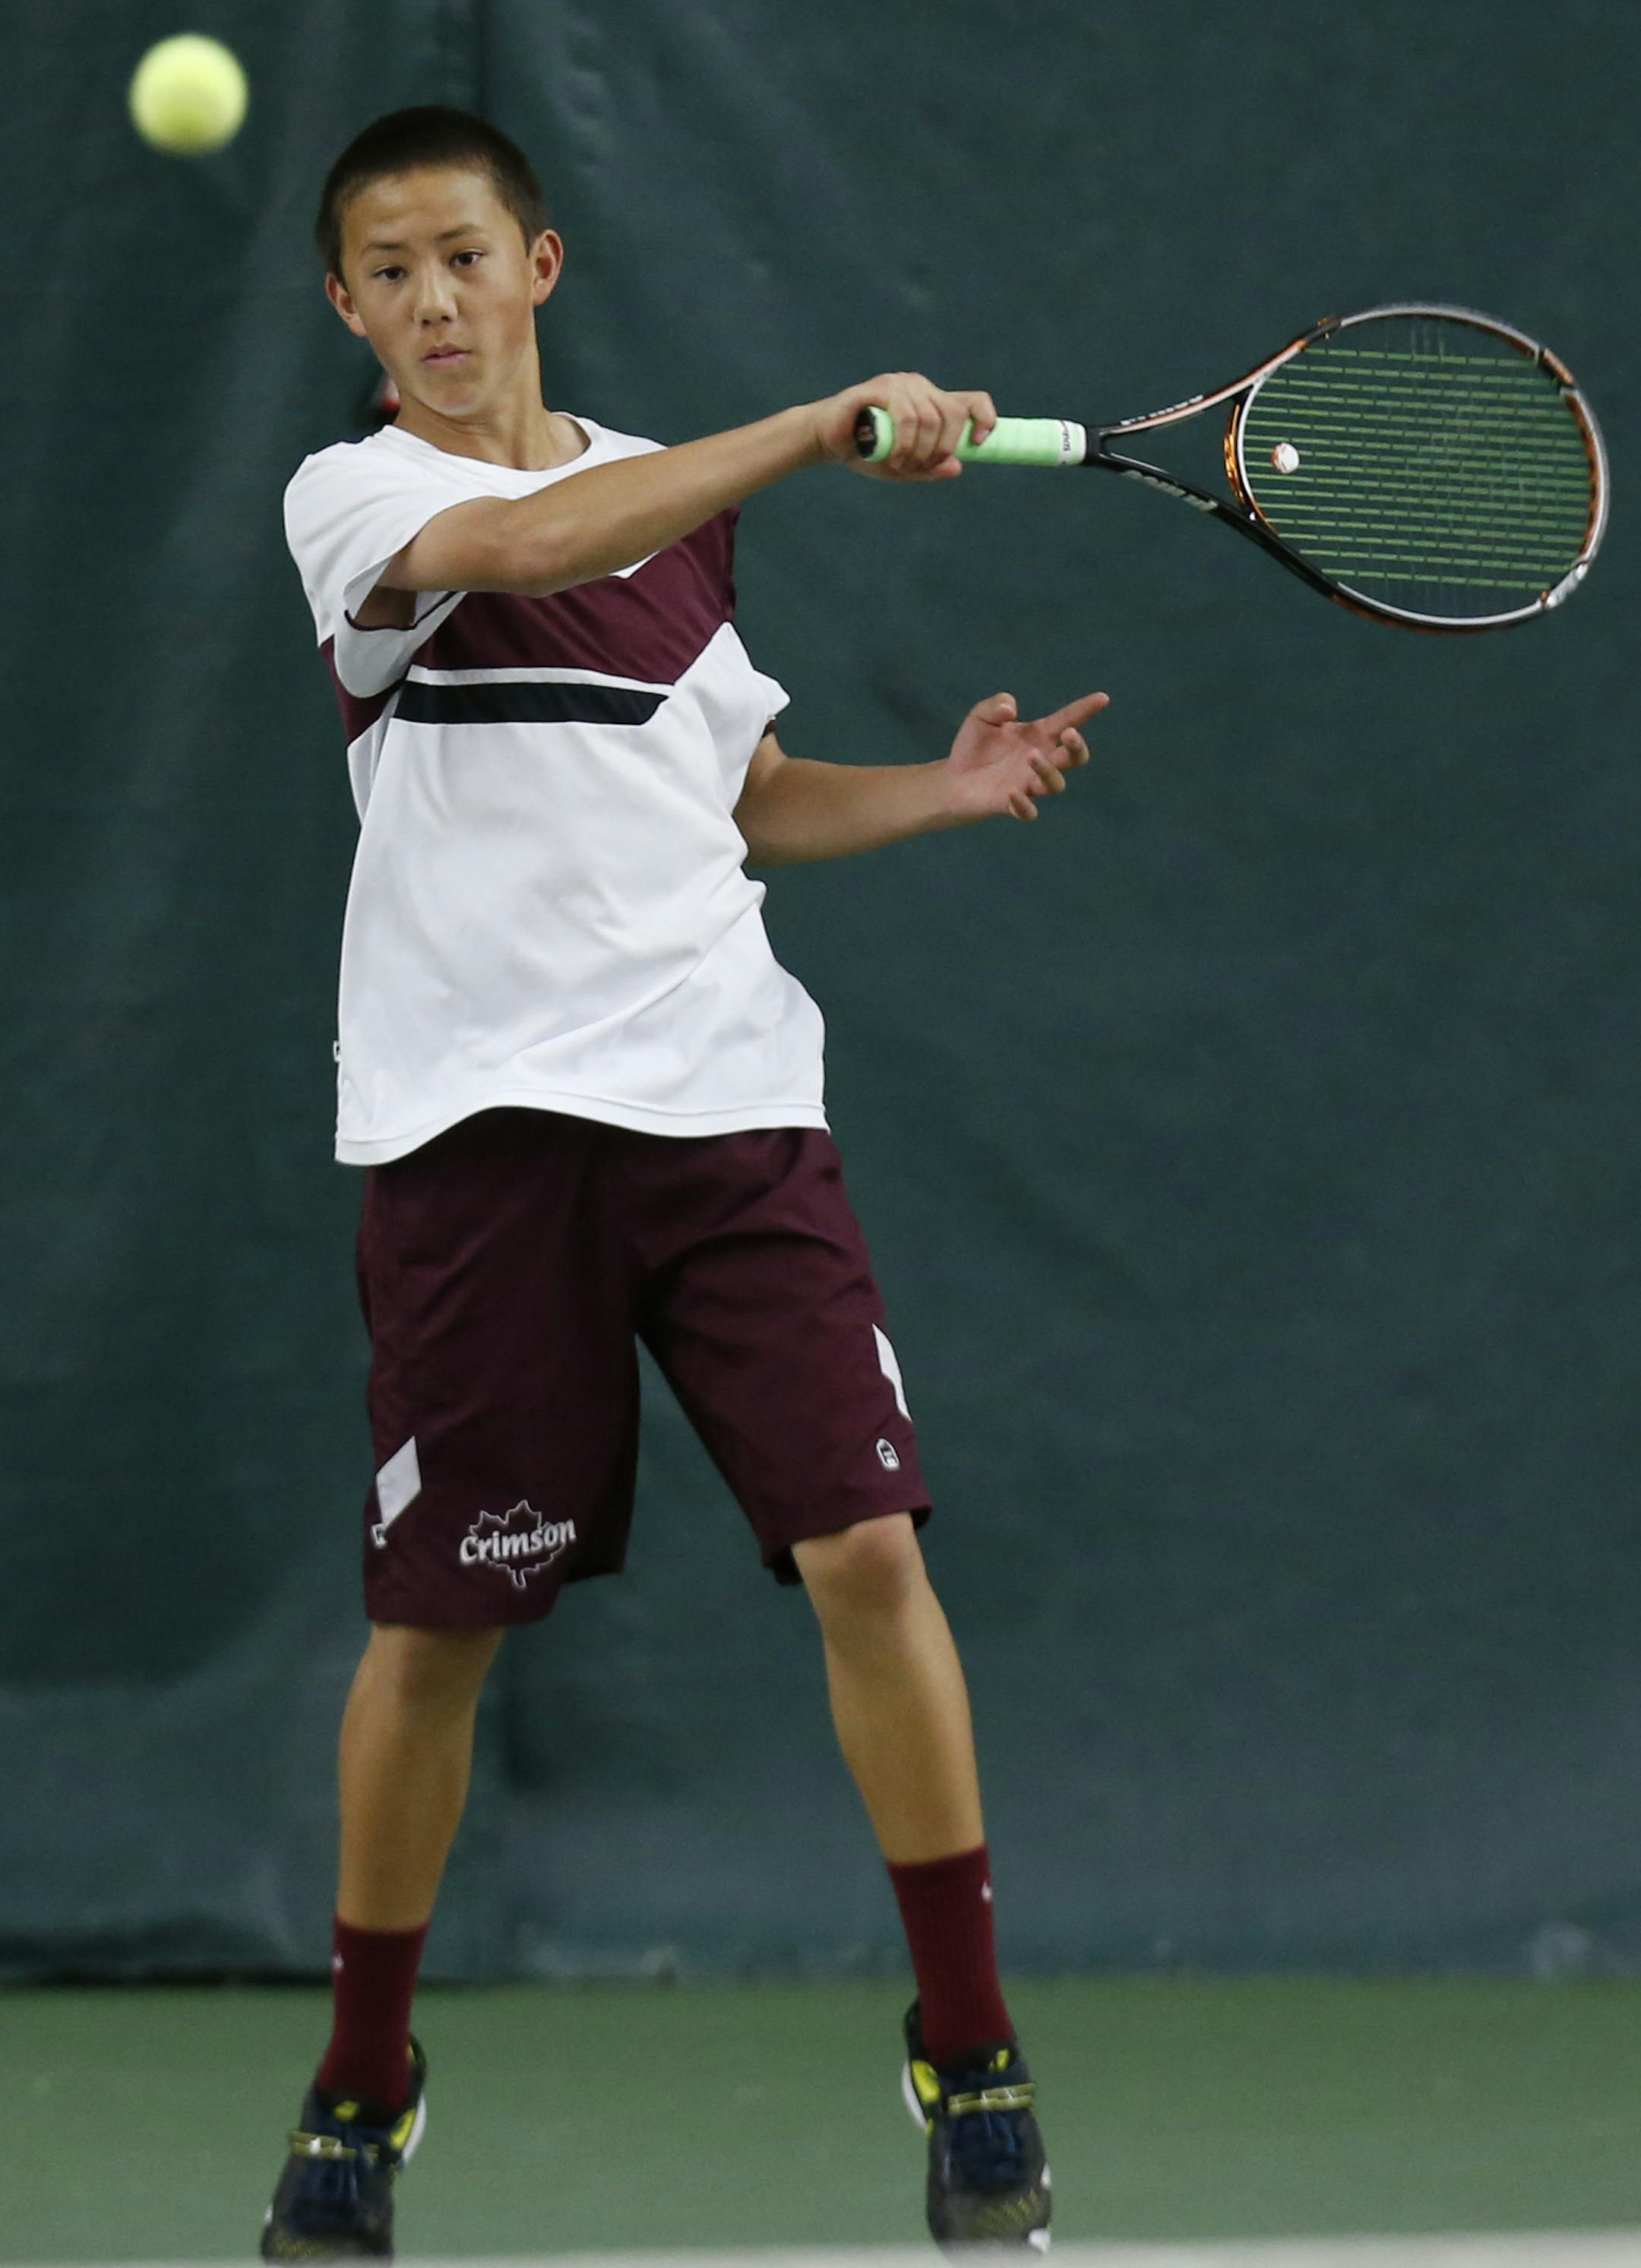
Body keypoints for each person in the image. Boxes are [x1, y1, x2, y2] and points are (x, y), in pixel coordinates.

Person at [269, 103, 1106, 2263]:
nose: (436, 301)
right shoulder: (359, 498)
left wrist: (939, 787)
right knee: (440, 1626)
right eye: (392, 273)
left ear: (539, 271)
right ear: (350, 313)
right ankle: (366, 2073)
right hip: (474, 1145)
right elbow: (535, 551)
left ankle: (973, 2049)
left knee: (866, 1549)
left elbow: (738, 797)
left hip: (727, 1111)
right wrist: (823, 427)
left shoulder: (678, 522)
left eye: (468, 256)